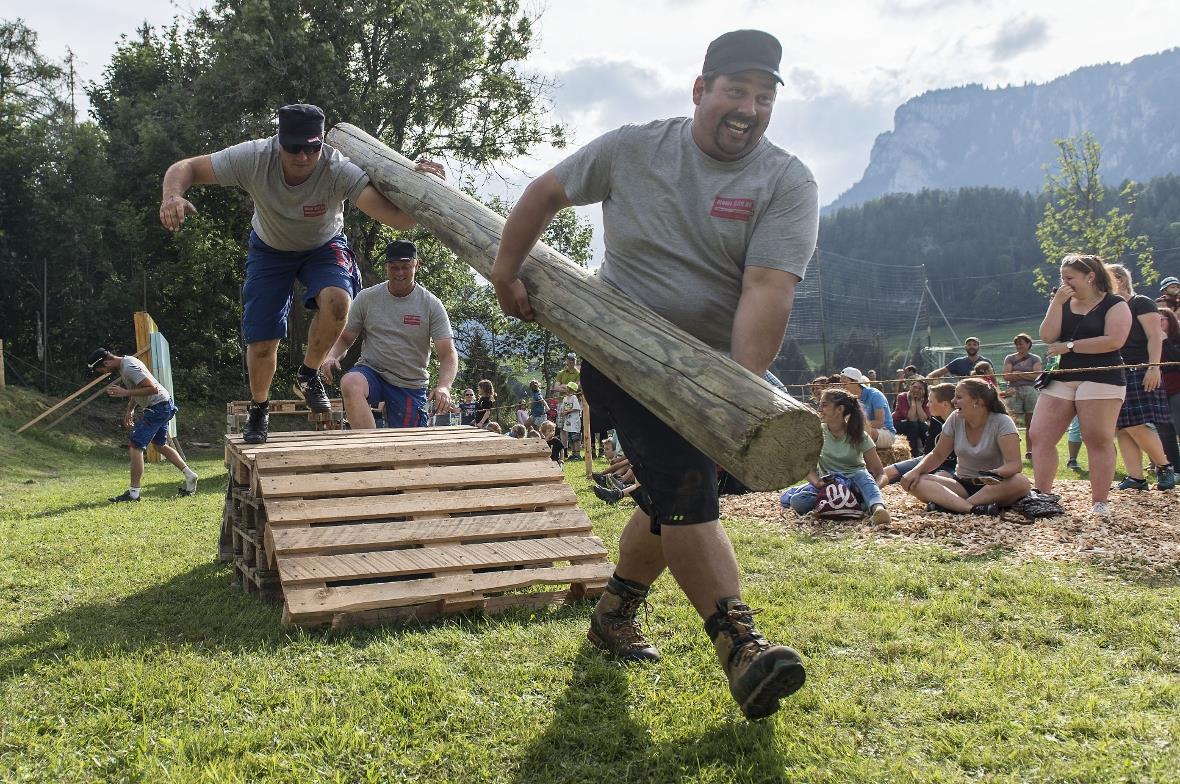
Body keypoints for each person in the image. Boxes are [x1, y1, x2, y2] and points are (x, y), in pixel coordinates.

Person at [489, 29, 818, 720]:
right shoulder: (634, 147)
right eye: (736, 91)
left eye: (763, 98)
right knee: (687, 484)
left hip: (712, 369)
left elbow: (767, 288)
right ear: (700, 90)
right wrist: (506, 270)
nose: (748, 109)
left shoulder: (786, 180)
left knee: (670, 493)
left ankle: (614, 613)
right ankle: (741, 647)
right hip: (622, 350)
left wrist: (729, 397)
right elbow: (544, 192)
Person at [159, 103, 445, 443]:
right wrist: (172, 195)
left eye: (312, 147)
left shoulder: (338, 169)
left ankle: (308, 374)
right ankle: (259, 408)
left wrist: (419, 184)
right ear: (279, 141)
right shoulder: (253, 158)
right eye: (294, 147)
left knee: (340, 302)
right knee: (264, 343)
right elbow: (186, 167)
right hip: (270, 250)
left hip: (324, 246)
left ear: (322, 143)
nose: (303, 157)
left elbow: (399, 219)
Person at [1027, 254, 1132, 516]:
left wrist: (1070, 346)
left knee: (1097, 437)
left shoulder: (1115, 304)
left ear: (1090, 276)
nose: (1064, 282)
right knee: (1040, 435)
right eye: (1062, 278)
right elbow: (1047, 336)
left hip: (1102, 375)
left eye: (1069, 278)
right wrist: (1056, 303)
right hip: (1062, 375)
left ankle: (1099, 502)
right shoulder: (1062, 301)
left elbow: (1114, 341)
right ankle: (1043, 495)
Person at [319, 241, 457, 429]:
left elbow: (447, 353)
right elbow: (345, 338)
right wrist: (331, 355)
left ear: (416, 265)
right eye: (394, 267)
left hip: (410, 383)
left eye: (405, 267)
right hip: (372, 371)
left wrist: (443, 386)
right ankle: (371, 450)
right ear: (387, 267)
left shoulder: (431, 304)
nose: (399, 273)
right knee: (350, 383)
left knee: (408, 450)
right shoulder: (367, 298)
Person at [900, 378, 1031, 514]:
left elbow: (1015, 464)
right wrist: (915, 471)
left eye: (959, 397)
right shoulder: (954, 418)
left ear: (977, 402)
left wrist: (994, 473)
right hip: (961, 485)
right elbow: (937, 455)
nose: (953, 401)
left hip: (994, 487)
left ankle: (952, 505)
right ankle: (972, 508)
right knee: (918, 481)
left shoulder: (1002, 422)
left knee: (1020, 482)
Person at [87, 348, 198, 502]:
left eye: (103, 370)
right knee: (160, 445)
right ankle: (189, 475)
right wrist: (130, 409)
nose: (104, 373)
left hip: (158, 407)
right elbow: (138, 389)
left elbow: (152, 388)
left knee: (135, 445)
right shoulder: (126, 364)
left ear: (106, 362)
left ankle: (133, 493)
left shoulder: (128, 367)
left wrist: (124, 393)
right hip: (163, 405)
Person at [1106, 264, 1176, 490]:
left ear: (1120, 280)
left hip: (1140, 369)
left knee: (1135, 423)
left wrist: (1154, 367)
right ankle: (1136, 477)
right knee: (1123, 426)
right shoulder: (1109, 308)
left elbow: (1155, 336)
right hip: (1116, 370)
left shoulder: (1141, 302)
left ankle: (1164, 466)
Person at [785, 389, 890, 524]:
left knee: (862, 475)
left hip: (856, 484)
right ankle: (853, 506)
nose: (819, 409)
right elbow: (807, 468)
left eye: (824, 405)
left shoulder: (859, 436)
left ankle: (878, 509)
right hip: (829, 486)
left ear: (839, 409)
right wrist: (817, 483)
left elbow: (881, 473)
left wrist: (872, 488)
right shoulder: (816, 434)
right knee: (798, 501)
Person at [881, 382, 956, 484]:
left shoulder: (960, 421)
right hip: (929, 460)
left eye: (930, 401)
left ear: (945, 404)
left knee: (934, 481)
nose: (927, 404)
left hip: (950, 466)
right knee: (885, 472)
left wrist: (917, 472)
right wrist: (916, 470)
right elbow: (929, 453)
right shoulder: (935, 420)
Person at [1001, 333, 1043, 459]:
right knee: (1010, 421)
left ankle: (1030, 450)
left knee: (1031, 422)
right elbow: (1007, 376)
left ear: (1028, 344)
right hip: (1013, 391)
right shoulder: (1010, 358)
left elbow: (1037, 375)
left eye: (1021, 343)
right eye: (1017, 343)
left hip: (1031, 391)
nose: (1019, 346)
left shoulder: (1035, 358)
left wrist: (1018, 373)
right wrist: (1026, 374)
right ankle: (1011, 451)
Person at [840, 367, 896, 448]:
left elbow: (879, 423)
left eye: (844, 383)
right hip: (862, 429)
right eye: (840, 383)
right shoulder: (847, 397)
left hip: (885, 432)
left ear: (855, 382)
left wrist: (855, 425)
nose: (841, 386)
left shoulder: (875, 395)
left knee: (863, 432)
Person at [1158, 307, 1180, 468]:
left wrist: (1164, 341)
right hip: (1159, 390)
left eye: (1162, 319)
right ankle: (1176, 468)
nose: (1158, 323)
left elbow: (1176, 360)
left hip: (1177, 389)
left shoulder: (1177, 338)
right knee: (1165, 432)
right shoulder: (1149, 340)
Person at [892, 379, 931, 457]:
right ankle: (913, 454)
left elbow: (923, 419)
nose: (916, 390)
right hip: (898, 422)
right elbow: (911, 418)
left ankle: (928, 452)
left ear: (924, 391)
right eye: (914, 387)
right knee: (913, 425)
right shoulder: (902, 396)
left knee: (924, 427)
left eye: (920, 389)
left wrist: (918, 403)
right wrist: (913, 401)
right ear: (910, 387)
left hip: (914, 423)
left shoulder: (926, 399)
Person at [928, 337, 993, 380]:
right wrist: (930, 376)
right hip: (964, 394)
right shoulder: (958, 362)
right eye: (969, 344)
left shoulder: (986, 362)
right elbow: (941, 371)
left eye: (974, 344)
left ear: (978, 347)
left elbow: (993, 379)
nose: (972, 347)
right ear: (965, 347)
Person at [559, 382, 584, 460]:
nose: (568, 390)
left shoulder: (574, 397)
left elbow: (576, 408)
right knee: (570, 439)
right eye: (567, 388)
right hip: (568, 423)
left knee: (575, 438)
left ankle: (577, 454)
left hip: (574, 422)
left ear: (573, 390)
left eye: (570, 389)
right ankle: (573, 453)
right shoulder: (565, 398)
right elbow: (563, 407)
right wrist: (562, 412)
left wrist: (567, 412)